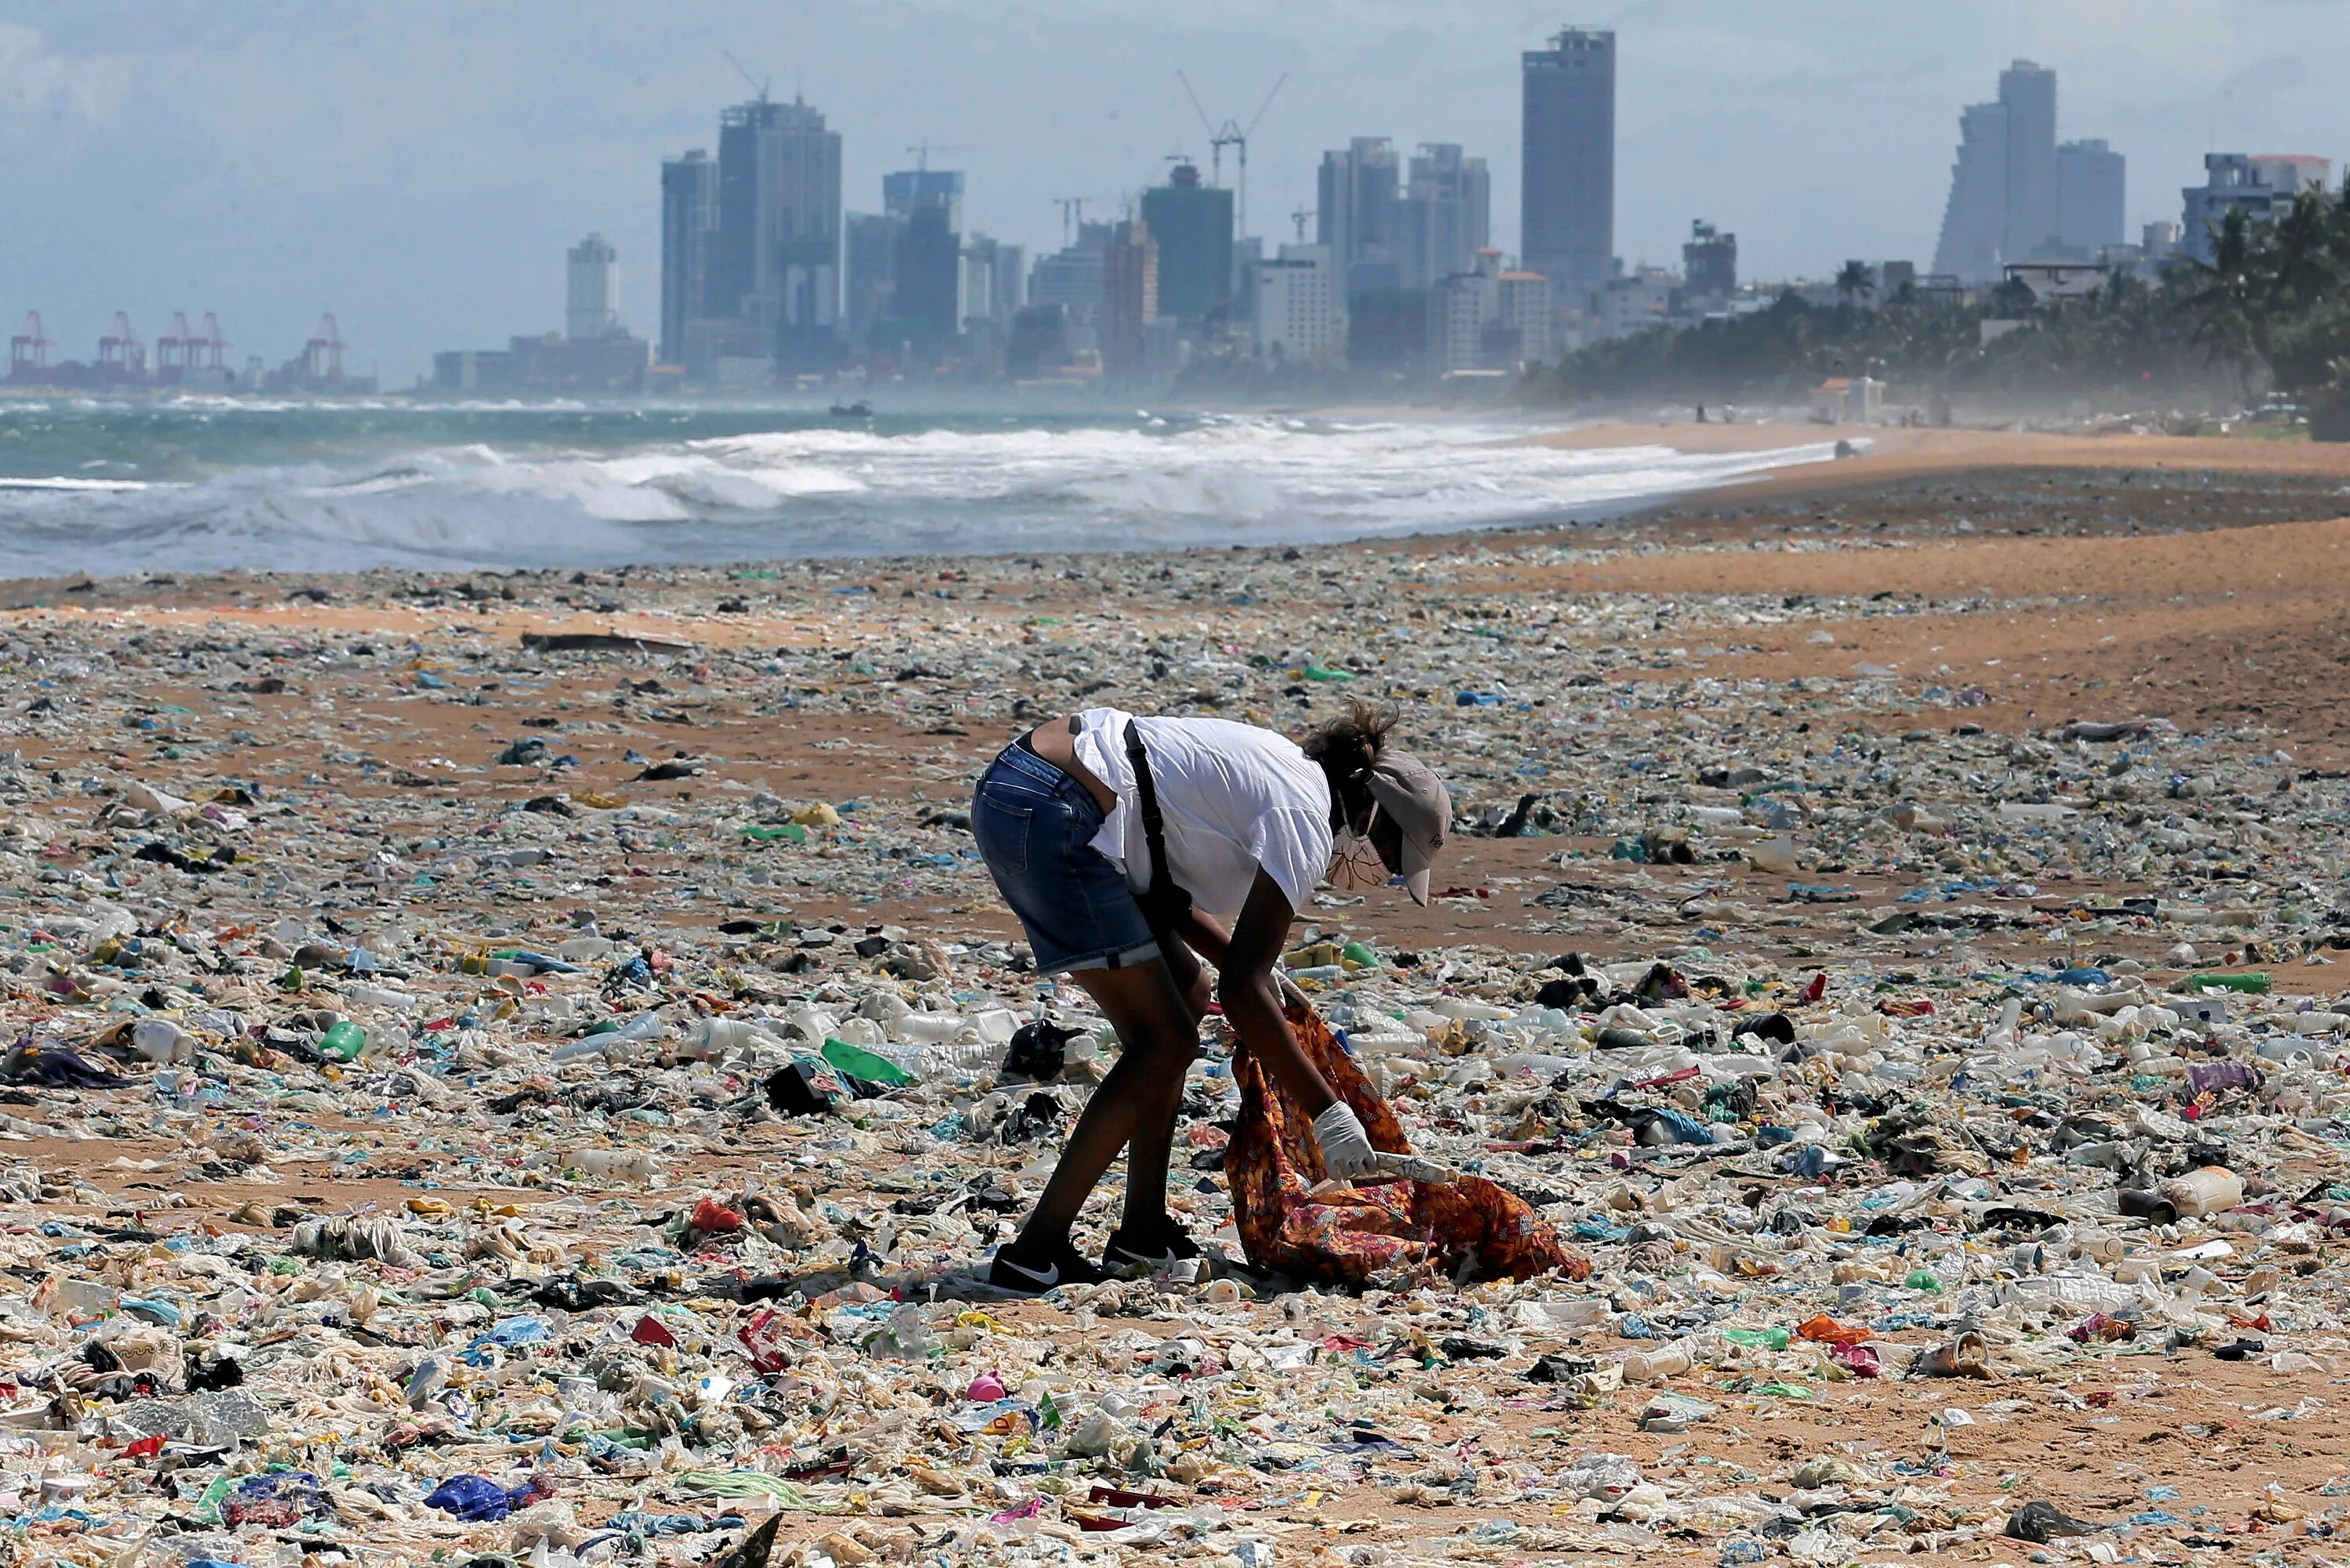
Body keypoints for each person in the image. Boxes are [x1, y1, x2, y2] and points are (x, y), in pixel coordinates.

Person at [967, 699, 1452, 1293]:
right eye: (1393, 863)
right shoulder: (1303, 813)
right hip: (1048, 809)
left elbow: (1171, 905)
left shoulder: (1292, 778)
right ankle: (1033, 1252)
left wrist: (1248, 969)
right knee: (1164, 1041)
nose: (1386, 879)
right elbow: (1243, 994)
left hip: (1034, 792)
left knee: (1186, 993)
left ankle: (1141, 1230)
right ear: (1373, 815)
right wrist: (1330, 1116)